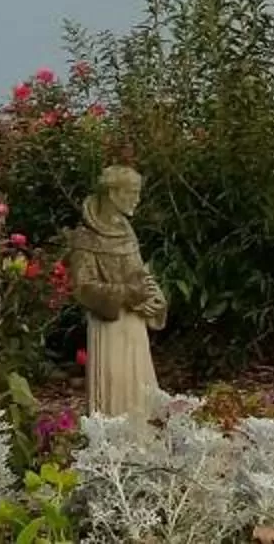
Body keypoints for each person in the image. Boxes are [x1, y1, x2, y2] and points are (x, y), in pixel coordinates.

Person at [62, 164, 166, 420]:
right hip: (109, 329)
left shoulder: (125, 231)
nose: (137, 199)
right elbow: (83, 288)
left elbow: (140, 275)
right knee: (116, 394)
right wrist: (128, 294)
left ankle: (142, 444)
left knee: (140, 394)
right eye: (132, 192)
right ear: (112, 193)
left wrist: (156, 299)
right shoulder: (85, 238)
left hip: (135, 328)